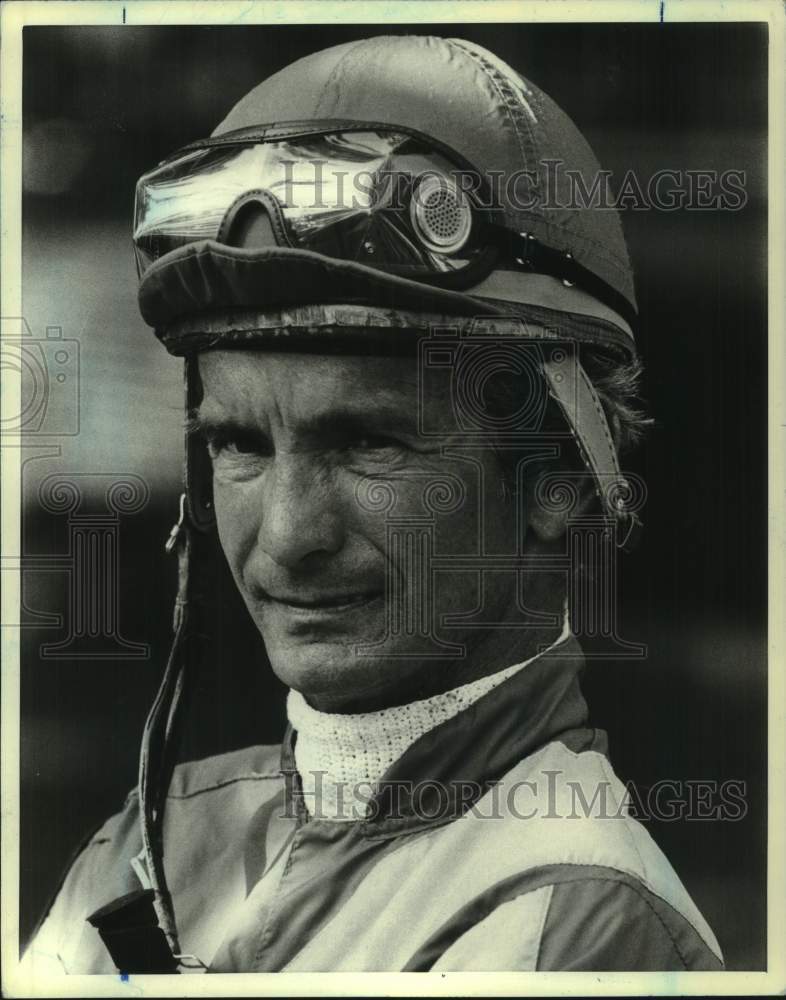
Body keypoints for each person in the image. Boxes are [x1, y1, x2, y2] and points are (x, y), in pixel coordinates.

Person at [23, 34, 723, 974]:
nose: (286, 538)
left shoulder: (579, 921)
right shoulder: (152, 848)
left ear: (557, 479)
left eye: (368, 443)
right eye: (238, 444)